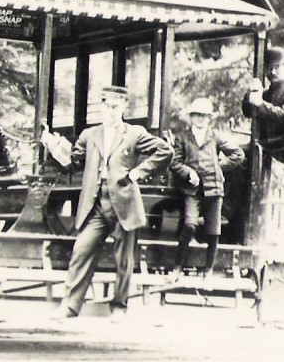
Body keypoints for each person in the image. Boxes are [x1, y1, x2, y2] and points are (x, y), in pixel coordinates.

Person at [40, 85, 173, 318]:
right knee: (81, 250)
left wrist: (138, 173)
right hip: (95, 205)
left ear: (123, 108)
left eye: (115, 107)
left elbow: (165, 151)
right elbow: (73, 163)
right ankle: (70, 306)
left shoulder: (134, 133)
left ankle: (119, 307)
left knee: (124, 259)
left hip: (124, 204)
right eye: (106, 106)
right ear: (101, 107)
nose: (111, 111)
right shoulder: (89, 135)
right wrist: (55, 146)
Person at [167, 97, 245, 279]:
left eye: (204, 116)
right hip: (192, 190)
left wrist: (220, 166)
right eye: (196, 115)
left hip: (214, 187)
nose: (200, 119)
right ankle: (177, 268)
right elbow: (175, 162)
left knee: (213, 231)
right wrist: (189, 173)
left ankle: (208, 271)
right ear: (191, 117)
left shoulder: (214, 136)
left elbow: (238, 154)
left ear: (209, 118)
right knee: (190, 225)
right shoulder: (182, 138)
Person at [242, 46, 284, 199]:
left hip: (280, 148)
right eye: (269, 67)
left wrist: (260, 103)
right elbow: (248, 112)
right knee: (237, 156)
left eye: (277, 67)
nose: (272, 71)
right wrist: (250, 95)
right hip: (266, 147)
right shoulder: (266, 93)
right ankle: (234, 212)